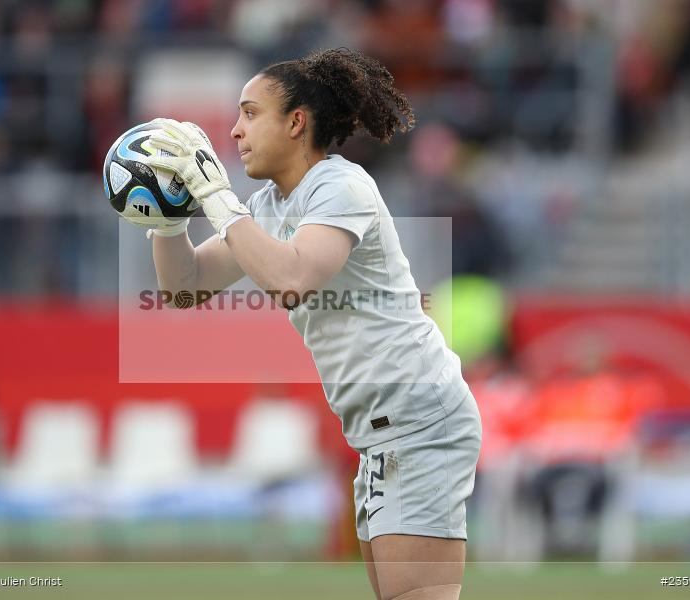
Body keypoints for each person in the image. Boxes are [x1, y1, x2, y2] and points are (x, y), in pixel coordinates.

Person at [140, 48, 482, 600]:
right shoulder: (274, 203)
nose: (234, 130)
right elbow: (183, 288)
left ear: (296, 122)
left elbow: (293, 278)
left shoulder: (339, 185)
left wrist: (216, 196)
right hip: (383, 433)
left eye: (250, 113)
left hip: (419, 422)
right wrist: (165, 213)